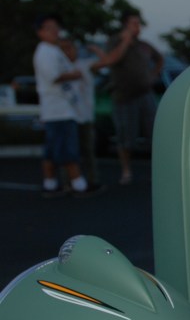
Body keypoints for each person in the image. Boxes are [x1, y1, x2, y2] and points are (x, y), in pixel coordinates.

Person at [32, 14, 89, 197]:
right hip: (58, 110)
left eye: (56, 27)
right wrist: (75, 75)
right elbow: (53, 76)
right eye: (50, 28)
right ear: (40, 32)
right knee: (67, 149)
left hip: (59, 109)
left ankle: (50, 184)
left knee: (53, 149)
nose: (55, 31)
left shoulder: (52, 50)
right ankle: (78, 184)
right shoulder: (45, 52)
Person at [104, 10, 163, 185]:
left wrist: (153, 75)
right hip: (124, 96)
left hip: (145, 94)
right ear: (125, 25)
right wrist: (125, 41)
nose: (138, 27)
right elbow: (111, 60)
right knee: (125, 137)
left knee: (154, 133)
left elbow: (160, 59)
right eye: (134, 23)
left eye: (138, 23)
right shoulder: (114, 41)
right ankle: (126, 171)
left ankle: (157, 171)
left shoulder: (144, 45)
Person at [59, 38, 110, 191]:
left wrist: (96, 50)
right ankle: (68, 182)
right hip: (67, 115)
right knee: (68, 151)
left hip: (85, 115)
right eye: (63, 49)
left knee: (88, 150)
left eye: (69, 48)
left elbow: (105, 63)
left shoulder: (84, 64)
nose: (67, 52)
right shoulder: (59, 66)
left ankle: (92, 180)